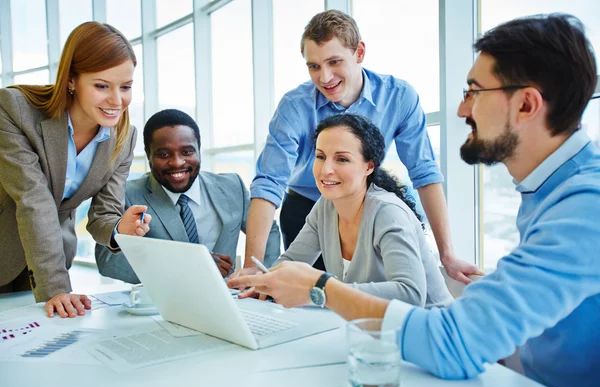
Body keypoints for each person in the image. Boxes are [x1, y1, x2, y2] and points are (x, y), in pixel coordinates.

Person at [229, 14, 600, 387]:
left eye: (474, 91)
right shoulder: (550, 191)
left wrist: (320, 287)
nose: (461, 110)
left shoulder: (584, 208)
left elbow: (452, 343)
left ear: (526, 104)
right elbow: (269, 183)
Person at [244, 9, 479, 284]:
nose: (325, 77)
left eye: (334, 62)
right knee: (309, 301)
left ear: (359, 53)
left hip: (366, 204)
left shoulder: (399, 97)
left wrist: (447, 255)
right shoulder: (294, 106)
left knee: (366, 296)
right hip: (307, 207)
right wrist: (251, 266)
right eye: (314, 66)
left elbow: (424, 174)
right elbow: (269, 184)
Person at [0, 22, 150, 318]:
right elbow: (33, 199)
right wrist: (56, 286)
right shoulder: (14, 109)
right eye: (101, 86)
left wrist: (120, 228)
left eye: (126, 87)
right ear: (71, 80)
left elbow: (102, 215)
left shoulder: (124, 137)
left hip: (52, 257)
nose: (117, 101)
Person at [241, 113, 451, 306]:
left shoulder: (387, 212)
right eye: (320, 156)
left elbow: (411, 294)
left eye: (342, 159)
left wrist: (319, 288)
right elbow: (291, 261)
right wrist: (261, 281)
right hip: (371, 331)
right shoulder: (326, 206)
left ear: (368, 167)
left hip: (431, 332)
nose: (326, 170)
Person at [95, 109, 281, 282]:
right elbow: (108, 261)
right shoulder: (128, 195)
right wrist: (189, 265)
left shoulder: (232, 187)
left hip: (229, 299)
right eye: (164, 154)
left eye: (187, 152)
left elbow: (268, 230)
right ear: (148, 155)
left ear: (199, 149)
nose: (177, 163)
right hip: (161, 306)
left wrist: (262, 278)